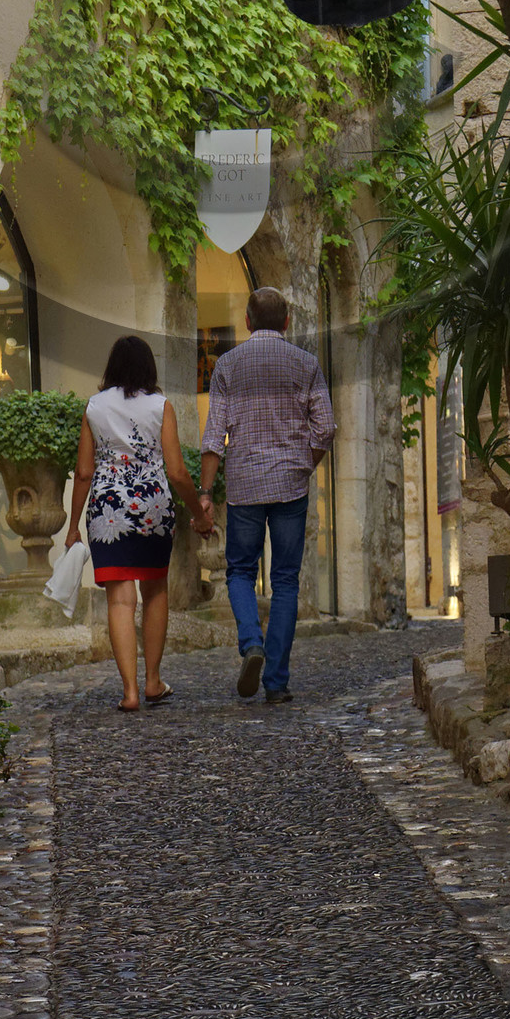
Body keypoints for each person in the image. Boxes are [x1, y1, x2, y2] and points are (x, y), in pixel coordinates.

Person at [199, 285, 334, 705]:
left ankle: (251, 643)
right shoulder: (307, 364)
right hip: (290, 486)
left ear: (247, 322)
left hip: (244, 486)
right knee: (285, 580)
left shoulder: (228, 366)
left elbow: (213, 437)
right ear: (288, 322)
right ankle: (276, 681)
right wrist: (303, 464)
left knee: (239, 571)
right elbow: (326, 428)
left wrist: (205, 492)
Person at [66, 335, 213, 712]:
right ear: (149, 369)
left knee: (119, 598)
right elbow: (177, 471)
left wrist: (72, 527)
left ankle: (129, 692)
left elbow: (83, 473)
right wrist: (198, 512)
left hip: (106, 511)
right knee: (155, 592)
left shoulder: (94, 407)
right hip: (151, 507)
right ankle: (153, 682)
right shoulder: (160, 406)